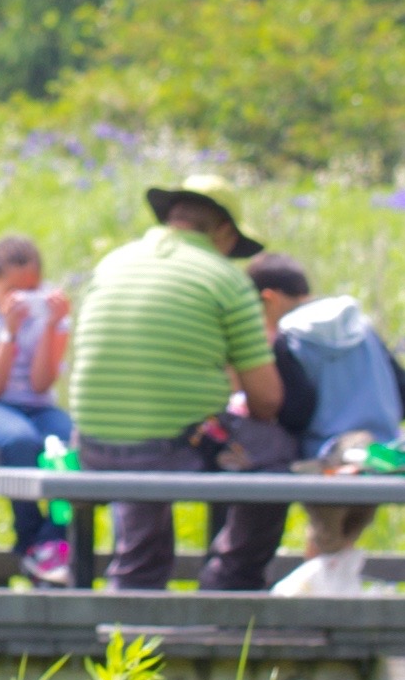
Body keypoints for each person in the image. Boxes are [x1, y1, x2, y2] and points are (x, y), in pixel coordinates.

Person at [60, 185, 290, 597]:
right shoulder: (225, 280)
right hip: (172, 446)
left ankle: (135, 589)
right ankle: (230, 585)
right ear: (222, 232)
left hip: (93, 442)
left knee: (145, 443)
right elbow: (267, 400)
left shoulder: (112, 264)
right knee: (272, 451)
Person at [239, 255, 405, 591]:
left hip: (326, 459)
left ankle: (320, 617)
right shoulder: (362, 328)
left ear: (269, 298)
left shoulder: (291, 338)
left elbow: (296, 411)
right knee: (346, 540)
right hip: (377, 454)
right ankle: (335, 604)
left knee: (325, 539)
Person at [0, 235, 80, 582]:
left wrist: (52, 326)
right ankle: (30, 539)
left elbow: (41, 384)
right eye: (14, 291)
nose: (25, 300)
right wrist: (8, 333)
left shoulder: (52, 319)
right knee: (21, 441)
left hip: (37, 407)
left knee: (75, 442)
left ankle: (54, 539)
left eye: (33, 289)